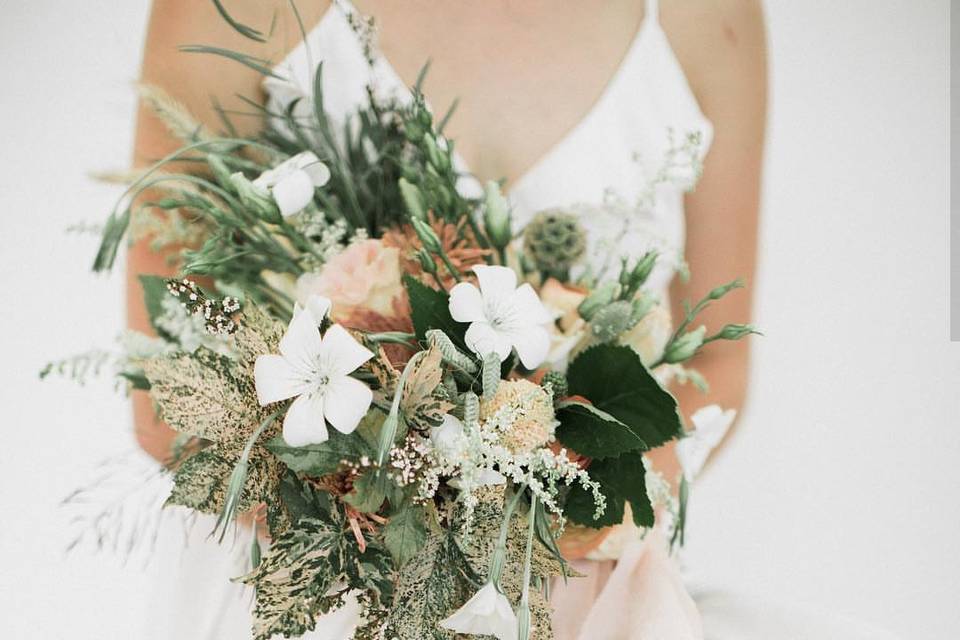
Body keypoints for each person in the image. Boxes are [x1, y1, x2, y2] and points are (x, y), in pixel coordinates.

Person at [129, 1, 888, 638]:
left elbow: (719, 364)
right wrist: (394, 518)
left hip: (588, 595)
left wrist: (544, 524)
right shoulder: (227, 11)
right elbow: (166, 374)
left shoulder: (705, 15)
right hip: (325, 588)